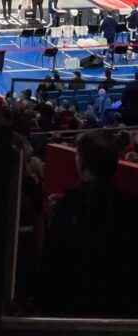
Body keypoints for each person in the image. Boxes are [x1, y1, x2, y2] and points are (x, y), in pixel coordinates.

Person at [36, 132, 138, 317]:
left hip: (75, 308)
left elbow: (53, 265)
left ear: (81, 163)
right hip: (123, 308)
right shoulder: (131, 206)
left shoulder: (67, 207)